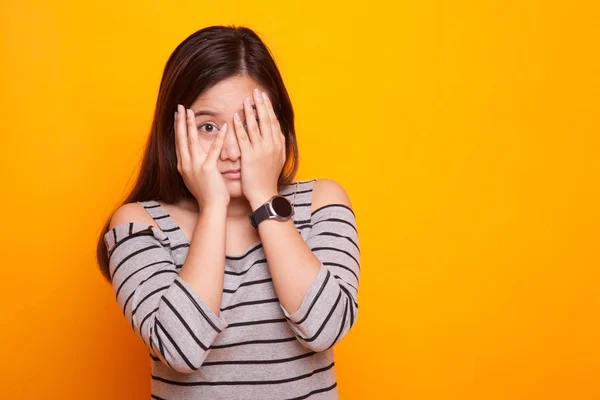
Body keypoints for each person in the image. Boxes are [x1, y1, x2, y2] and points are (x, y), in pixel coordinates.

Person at [95, 25, 360, 399]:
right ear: (174, 133)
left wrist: (264, 196)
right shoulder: (139, 223)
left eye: (249, 123)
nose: (231, 150)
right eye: (207, 127)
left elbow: (324, 328)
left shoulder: (320, 203)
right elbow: (180, 350)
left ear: (279, 125)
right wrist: (213, 205)